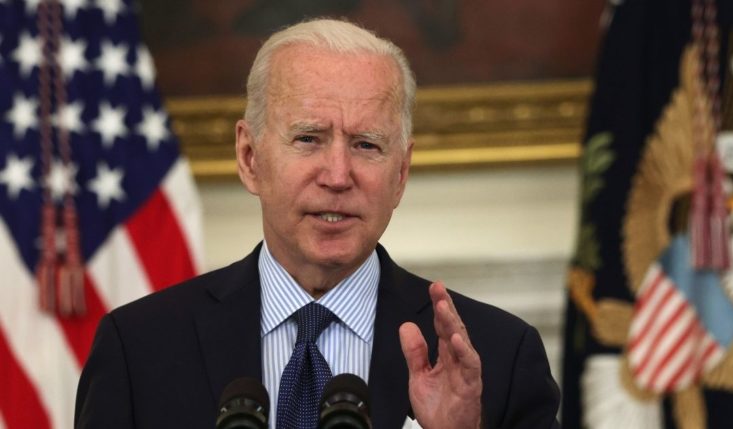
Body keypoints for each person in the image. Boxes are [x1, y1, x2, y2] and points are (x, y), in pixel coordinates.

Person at [75, 18, 560, 428]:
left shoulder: (498, 356)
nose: (338, 175)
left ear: (401, 174)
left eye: (366, 145)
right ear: (249, 158)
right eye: (308, 138)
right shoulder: (139, 349)